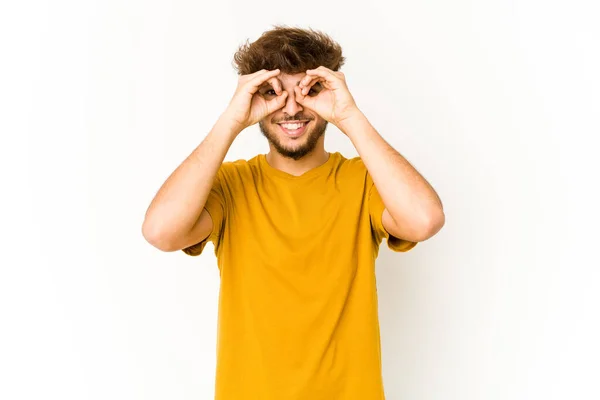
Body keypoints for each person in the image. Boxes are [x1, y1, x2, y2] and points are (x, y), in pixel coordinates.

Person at [142, 25, 445, 400]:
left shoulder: (363, 181)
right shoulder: (231, 185)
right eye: (272, 93)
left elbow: (425, 219)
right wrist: (231, 121)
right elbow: (160, 232)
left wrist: (349, 117)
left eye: (307, 91)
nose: (290, 108)